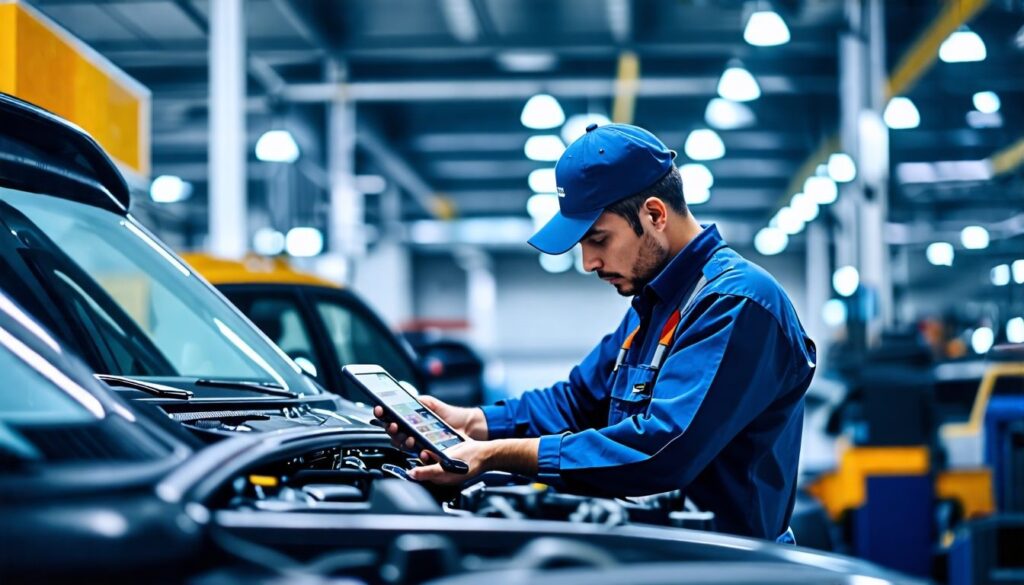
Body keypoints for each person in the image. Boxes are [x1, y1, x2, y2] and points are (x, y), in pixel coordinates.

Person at [375, 123, 816, 541]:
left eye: (598, 239)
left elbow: (661, 449)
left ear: (655, 214)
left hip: (733, 569)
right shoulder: (655, 304)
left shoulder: (736, 304)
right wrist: (470, 421)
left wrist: (494, 454)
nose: (589, 262)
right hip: (658, 558)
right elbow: (576, 401)